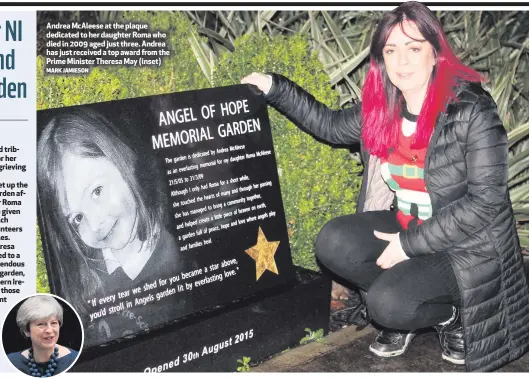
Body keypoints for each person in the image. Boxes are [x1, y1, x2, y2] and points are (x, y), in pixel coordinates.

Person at [241, 1, 529, 372]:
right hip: (408, 225)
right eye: (391, 50)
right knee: (333, 242)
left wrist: (409, 246)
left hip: (466, 246)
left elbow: (485, 203)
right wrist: (272, 87)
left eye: (414, 48)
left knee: (387, 304)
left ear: (436, 52)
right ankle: (412, 303)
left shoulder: (472, 110)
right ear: (381, 59)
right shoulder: (384, 107)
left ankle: (448, 314)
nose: (402, 61)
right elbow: (328, 125)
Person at [37, 109, 188, 346]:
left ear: (123, 160)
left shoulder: (177, 257)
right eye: (77, 218)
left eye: (97, 192)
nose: (95, 224)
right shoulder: (80, 274)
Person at [7, 295, 78, 376]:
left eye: (54, 323)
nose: (49, 330)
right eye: (41, 324)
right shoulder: (11, 361)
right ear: (26, 331)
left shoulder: (75, 359)